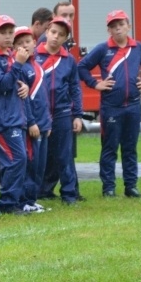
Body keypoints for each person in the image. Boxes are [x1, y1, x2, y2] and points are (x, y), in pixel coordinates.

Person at [78, 9, 141, 198]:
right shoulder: (103, 49)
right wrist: (96, 84)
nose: (118, 29)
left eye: (121, 25)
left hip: (133, 106)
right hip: (111, 108)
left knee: (130, 148)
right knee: (109, 148)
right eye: (113, 26)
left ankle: (131, 186)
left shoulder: (137, 48)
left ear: (129, 26)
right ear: (109, 30)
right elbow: (82, 67)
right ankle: (109, 188)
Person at [0, 15, 30, 215]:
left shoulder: (9, 54)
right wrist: (18, 64)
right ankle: (8, 203)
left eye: (11, 32)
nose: (8, 36)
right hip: (1, 120)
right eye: (3, 32)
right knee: (17, 159)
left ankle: (10, 201)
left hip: (13, 117)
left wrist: (24, 86)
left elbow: (17, 81)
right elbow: (1, 86)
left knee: (18, 159)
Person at [34, 17, 84, 205]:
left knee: (65, 155)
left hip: (63, 113)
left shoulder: (69, 60)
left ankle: (69, 194)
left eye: (61, 35)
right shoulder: (34, 55)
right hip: (39, 113)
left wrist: (77, 115)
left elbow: (75, 88)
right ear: (47, 32)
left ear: (66, 39)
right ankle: (36, 192)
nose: (56, 37)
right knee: (38, 156)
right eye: (53, 32)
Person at [13, 26, 52, 213]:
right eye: (20, 44)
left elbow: (43, 97)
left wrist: (47, 122)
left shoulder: (37, 65)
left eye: (27, 42)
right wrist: (31, 122)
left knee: (40, 166)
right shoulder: (20, 68)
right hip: (32, 124)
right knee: (30, 164)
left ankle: (32, 198)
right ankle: (24, 200)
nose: (25, 46)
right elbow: (24, 99)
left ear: (35, 43)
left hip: (43, 123)